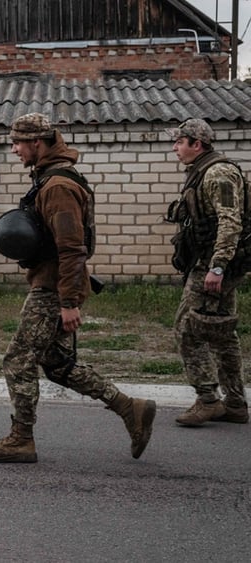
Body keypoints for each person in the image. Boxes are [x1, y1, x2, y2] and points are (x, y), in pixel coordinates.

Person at [0, 113, 157, 463]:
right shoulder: (49, 179)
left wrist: (68, 301)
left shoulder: (58, 186)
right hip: (53, 285)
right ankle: (129, 408)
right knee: (57, 364)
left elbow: (72, 248)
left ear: (37, 143)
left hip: (53, 290)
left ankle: (21, 439)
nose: (14, 150)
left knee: (17, 361)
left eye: (17, 143)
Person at [165, 118, 249, 426]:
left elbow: (231, 222)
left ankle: (208, 399)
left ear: (196, 144)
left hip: (213, 266)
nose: (175, 147)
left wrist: (217, 267)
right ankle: (237, 404)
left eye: (179, 142)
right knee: (222, 334)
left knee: (187, 329)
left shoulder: (218, 173)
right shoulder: (203, 171)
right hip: (214, 263)